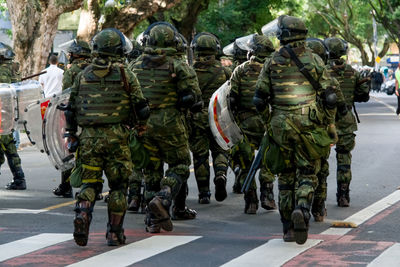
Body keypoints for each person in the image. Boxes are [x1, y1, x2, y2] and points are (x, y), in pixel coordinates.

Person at [254, 15, 338, 244]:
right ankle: (302, 207)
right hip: (308, 126)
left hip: (280, 126)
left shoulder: (271, 61)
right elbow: (331, 97)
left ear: (283, 35)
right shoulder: (314, 60)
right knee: (308, 173)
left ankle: (287, 229)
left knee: (285, 177)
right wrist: (329, 124)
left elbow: (259, 99)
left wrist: (268, 123)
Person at [65, 28, 149, 246]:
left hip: (89, 139)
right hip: (117, 139)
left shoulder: (83, 74)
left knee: (90, 183)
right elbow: (141, 106)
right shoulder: (125, 74)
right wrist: (141, 127)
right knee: (119, 186)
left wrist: (72, 134)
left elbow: (70, 109)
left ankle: (82, 214)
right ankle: (114, 233)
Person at [129, 22, 202, 233]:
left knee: (151, 170)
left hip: (143, 126)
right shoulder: (178, 65)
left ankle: (152, 220)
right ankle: (165, 196)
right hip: (170, 123)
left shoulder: (134, 66)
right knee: (179, 165)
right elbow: (194, 97)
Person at [229, 34, 277, 214]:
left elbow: (231, 99)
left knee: (244, 162)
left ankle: (251, 201)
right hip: (268, 122)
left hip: (245, 123)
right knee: (268, 160)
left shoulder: (240, 70)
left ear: (253, 52)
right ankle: (268, 196)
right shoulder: (274, 69)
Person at [324, 37, 370, 207]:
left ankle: (318, 199)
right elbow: (362, 97)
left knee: (319, 161)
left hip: (324, 122)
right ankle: (343, 195)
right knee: (344, 160)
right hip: (345, 121)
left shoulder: (320, 72)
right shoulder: (353, 72)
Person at [306, 38, 345, 222]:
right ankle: (319, 208)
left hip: (297, 129)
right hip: (320, 132)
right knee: (321, 169)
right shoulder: (330, 80)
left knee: (298, 170)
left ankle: (300, 205)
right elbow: (341, 107)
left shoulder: (292, 75)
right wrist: (330, 126)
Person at [189, 32, 231, 204]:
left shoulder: (189, 72)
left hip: (196, 117)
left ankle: (204, 193)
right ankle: (220, 174)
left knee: (200, 156)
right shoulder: (225, 71)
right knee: (220, 150)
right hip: (218, 116)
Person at [53, 40, 92, 198]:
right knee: (90, 152)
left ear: (76, 54)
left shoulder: (72, 71)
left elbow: (66, 95)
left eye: (71, 53)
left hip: (74, 117)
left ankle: (66, 186)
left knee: (68, 150)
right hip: (94, 116)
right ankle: (90, 186)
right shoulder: (94, 68)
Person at [0, 42, 27, 190]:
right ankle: (19, 178)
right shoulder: (13, 68)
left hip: (1, 114)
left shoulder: (3, 70)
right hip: (8, 114)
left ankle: (19, 178)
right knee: (9, 146)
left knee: (8, 147)